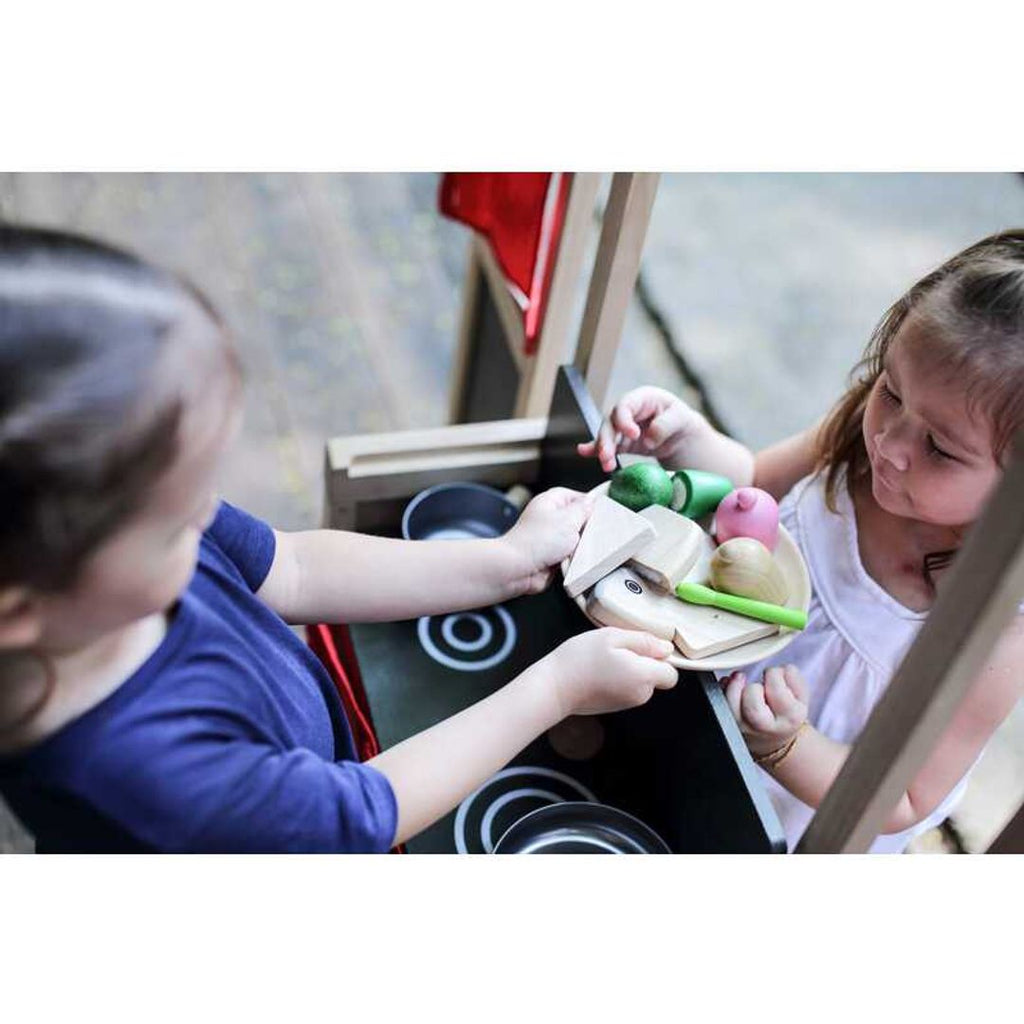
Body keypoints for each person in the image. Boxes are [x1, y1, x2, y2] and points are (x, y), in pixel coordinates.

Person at [0, 224, 678, 853]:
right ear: (19, 608)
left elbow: (294, 567)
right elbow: (355, 819)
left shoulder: (116, 545)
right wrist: (556, 689)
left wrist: (504, 559)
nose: (205, 513)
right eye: (178, 517)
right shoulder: (150, 779)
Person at [580, 229, 1024, 852]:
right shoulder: (857, 442)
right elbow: (756, 485)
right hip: (694, 702)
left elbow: (905, 800)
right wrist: (687, 438)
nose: (891, 445)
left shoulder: (998, 632)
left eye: (940, 448)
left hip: (778, 815)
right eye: (890, 391)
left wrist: (784, 745)